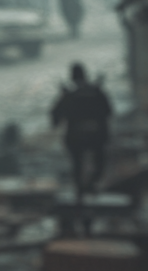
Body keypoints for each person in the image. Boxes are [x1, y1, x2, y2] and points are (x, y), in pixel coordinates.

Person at [51, 63, 112, 199]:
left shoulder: (69, 94)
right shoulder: (96, 91)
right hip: (97, 135)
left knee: (77, 164)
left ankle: (81, 189)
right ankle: (92, 184)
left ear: (71, 77)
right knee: (99, 161)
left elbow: (56, 114)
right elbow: (109, 112)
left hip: (75, 137)